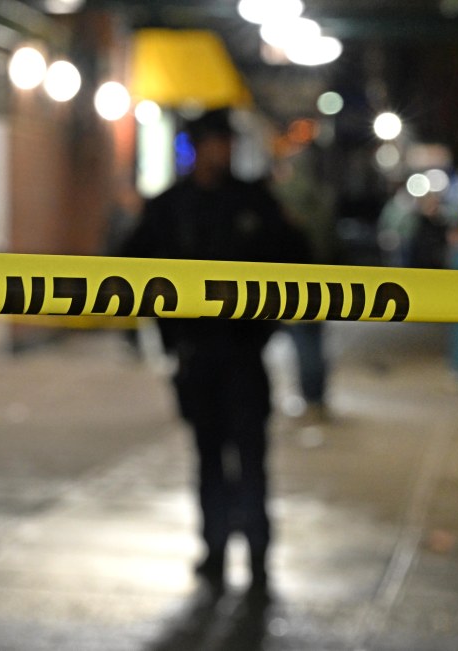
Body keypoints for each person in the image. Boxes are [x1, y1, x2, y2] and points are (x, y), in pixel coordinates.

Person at [119, 108, 309, 594]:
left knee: (250, 457)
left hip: (244, 353)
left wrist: (271, 324)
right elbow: (128, 268)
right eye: (213, 142)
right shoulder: (169, 207)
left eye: (225, 142)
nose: (220, 151)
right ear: (196, 147)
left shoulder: (253, 201)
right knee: (207, 457)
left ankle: (260, 554)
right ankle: (216, 548)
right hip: (196, 354)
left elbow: (296, 257)